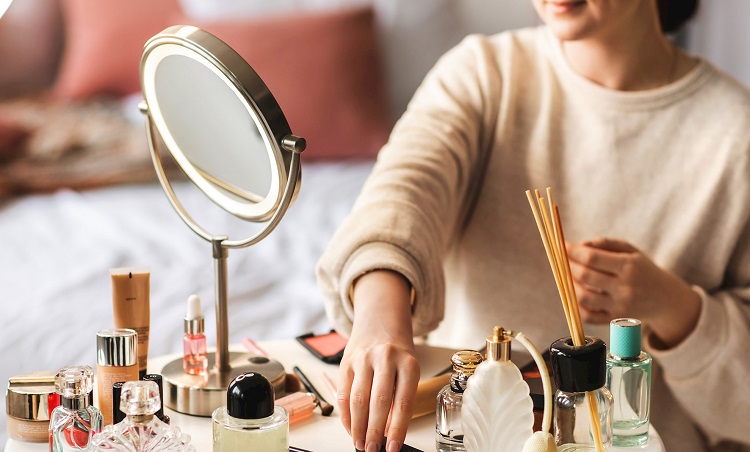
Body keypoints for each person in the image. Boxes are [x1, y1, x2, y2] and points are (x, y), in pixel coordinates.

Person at [316, 0, 750, 451]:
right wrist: (380, 318)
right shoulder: (486, 72)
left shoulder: (737, 134)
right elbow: (403, 190)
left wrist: (674, 308)